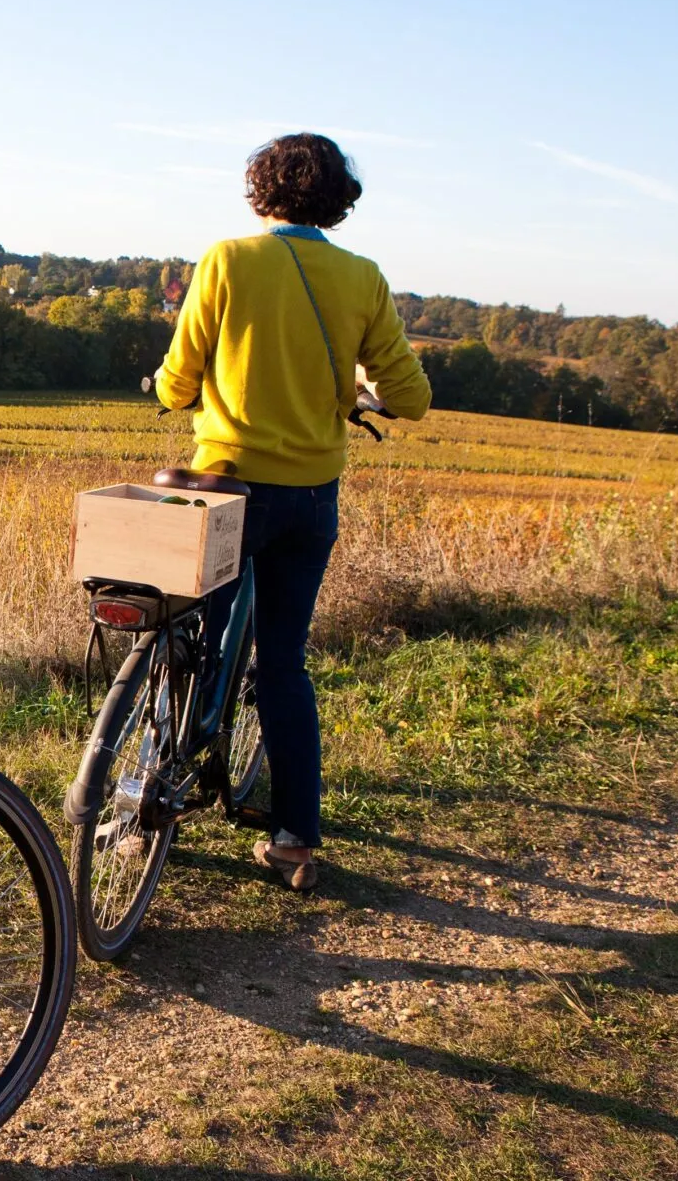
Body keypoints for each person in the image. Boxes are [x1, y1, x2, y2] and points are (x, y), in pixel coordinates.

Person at [151, 132, 431, 892]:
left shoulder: (228, 260)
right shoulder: (362, 277)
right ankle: (294, 841)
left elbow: (175, 382)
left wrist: (178, 387)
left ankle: (143, 786)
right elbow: (410, 396)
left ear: (260, 189)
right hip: (309, 497)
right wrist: (357, 395)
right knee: (282, 664)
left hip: (227, 483)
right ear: (338, 200)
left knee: (187, 636)